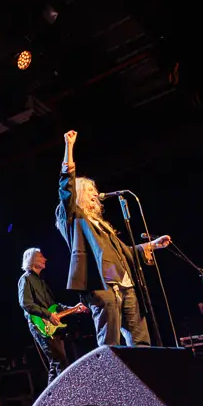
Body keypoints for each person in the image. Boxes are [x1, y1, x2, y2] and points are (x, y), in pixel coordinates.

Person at [56, 130, 171, 347]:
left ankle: (141, 379)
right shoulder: (74, 218)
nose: (93, 193)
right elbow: (66, 190)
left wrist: (150, 246)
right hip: (103, 287)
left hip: (126, 285)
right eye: (89, 190)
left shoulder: (103, 225)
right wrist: (69, 149)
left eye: (94, 190)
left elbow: (124, 251)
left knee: (140, 341)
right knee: (110, 344)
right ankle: (112, 380)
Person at [18, 248, 73, 384]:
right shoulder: (25, 279)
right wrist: (47, 315)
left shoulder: (41, 281)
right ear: (32, 260)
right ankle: (60, 398)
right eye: (41, 256)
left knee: (57, 363)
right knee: (59, 361)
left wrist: (74, 308)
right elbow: (26, 303)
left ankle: (53, 401)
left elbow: (53, 305)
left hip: (51, 324)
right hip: (40, 324)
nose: (45, 259)